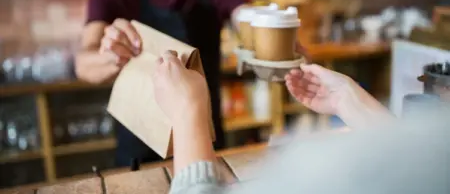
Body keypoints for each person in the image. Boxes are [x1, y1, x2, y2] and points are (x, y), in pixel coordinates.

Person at [74, 0, 252, 167]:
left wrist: (272, 39)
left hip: (203, 150)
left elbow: (247, 22)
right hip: (136, 157)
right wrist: (113, 54)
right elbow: (83, 64)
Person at [152, 51, 450, 194]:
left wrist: (186, 109)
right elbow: (423, 162)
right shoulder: (434, 152)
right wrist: (345, 98)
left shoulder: (316, 166)